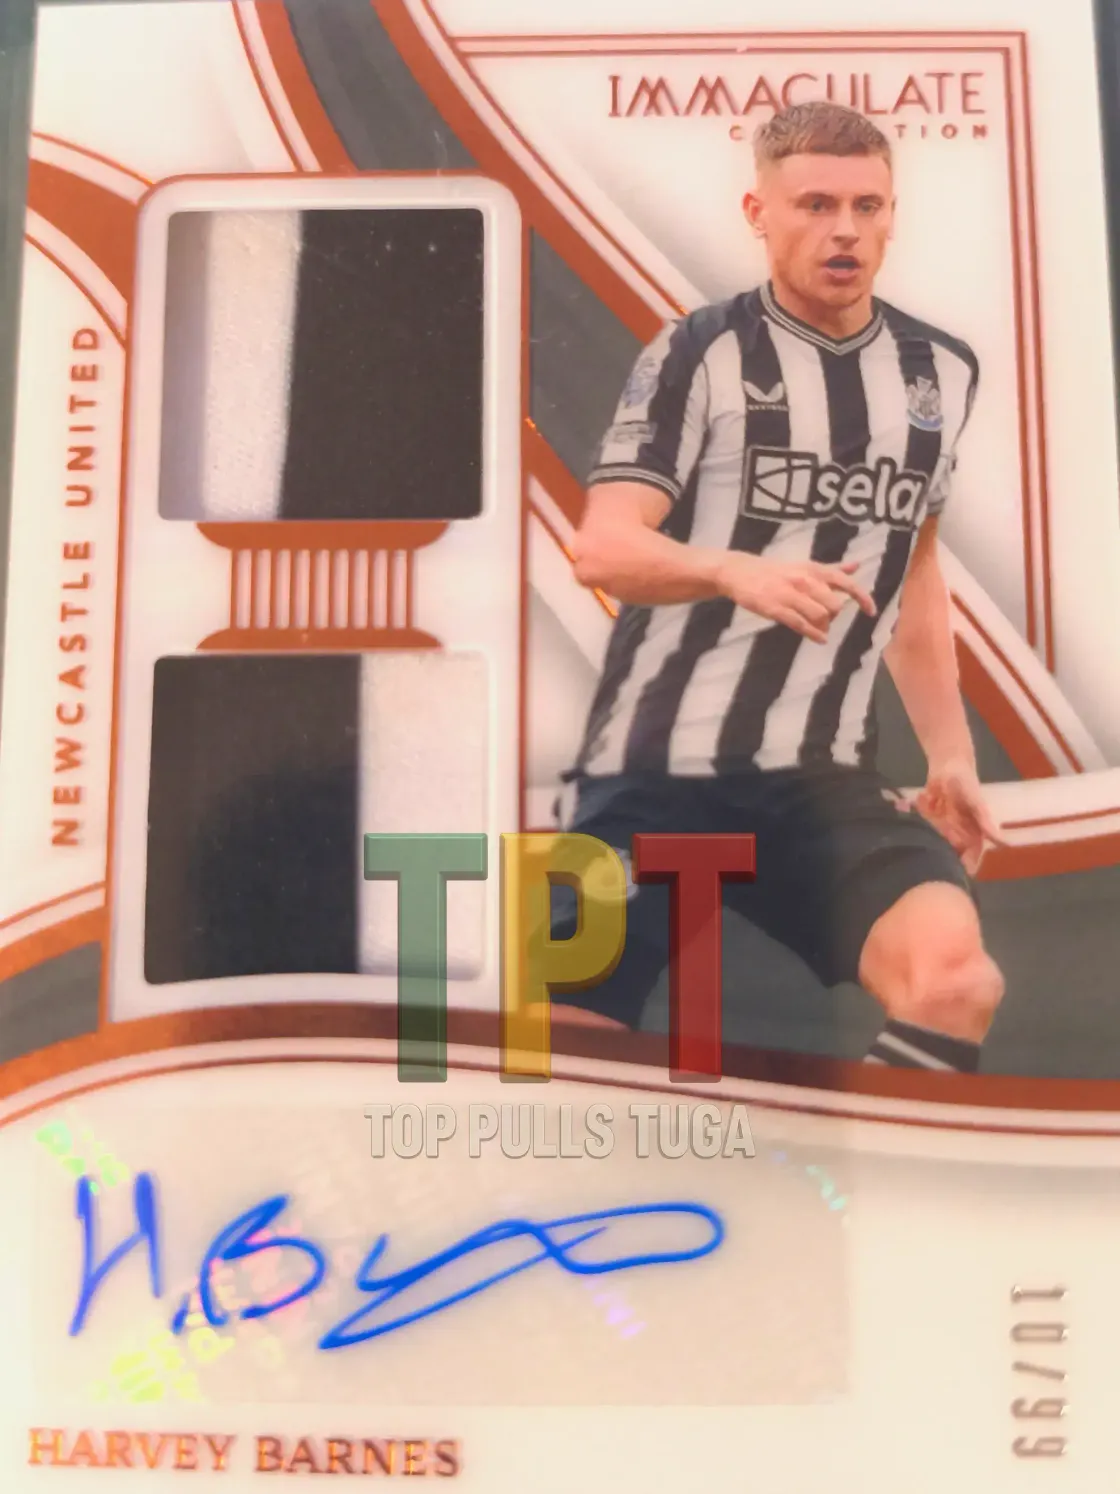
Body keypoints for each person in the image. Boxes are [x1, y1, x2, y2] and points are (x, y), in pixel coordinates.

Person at [553, 99, 1006, 1073]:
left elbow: (914, 564)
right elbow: (601, 549)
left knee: (955, 981)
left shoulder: (940, 371)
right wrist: (731, 570)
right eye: (815, 205)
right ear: (758, 213)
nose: (844, 230)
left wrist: (950, 756)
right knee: (556, 1049)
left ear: (891, 216)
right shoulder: (698, 353)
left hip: (821, 780)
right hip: (656, 771)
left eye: (866, 206)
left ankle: (868, 1168)